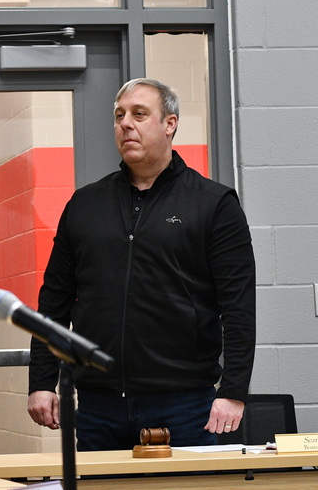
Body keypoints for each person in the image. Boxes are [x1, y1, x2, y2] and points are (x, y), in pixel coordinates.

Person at [27, 78, 256, 451]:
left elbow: (239, 307)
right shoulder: (85, 205)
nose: (125, 124)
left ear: (170, 124)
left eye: (139, 114)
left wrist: (233, 390)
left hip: (184, 404)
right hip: (98, 405)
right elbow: (53, 302)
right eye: (119, 116)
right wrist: (41, 381)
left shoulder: (213, 204)